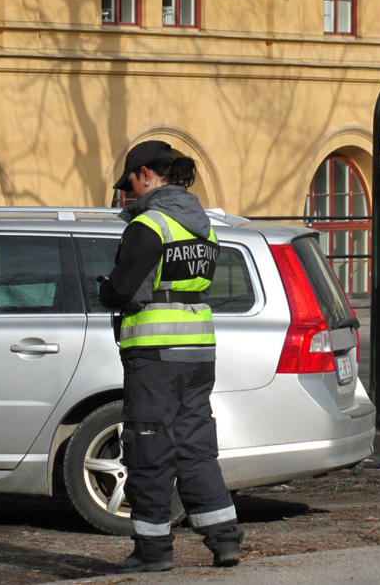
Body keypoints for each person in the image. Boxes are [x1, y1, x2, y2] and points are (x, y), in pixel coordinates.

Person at [98, 140, 243, 573]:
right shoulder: (204, 226)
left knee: (149, 448)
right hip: (198, 351)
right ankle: (224, 540)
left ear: (145, 174)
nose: (131, 193)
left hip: (155, 355)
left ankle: (153, 550)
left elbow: (124, 290)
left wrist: (106, 287)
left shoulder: (150, 226)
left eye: (132, 184)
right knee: (196, 448)